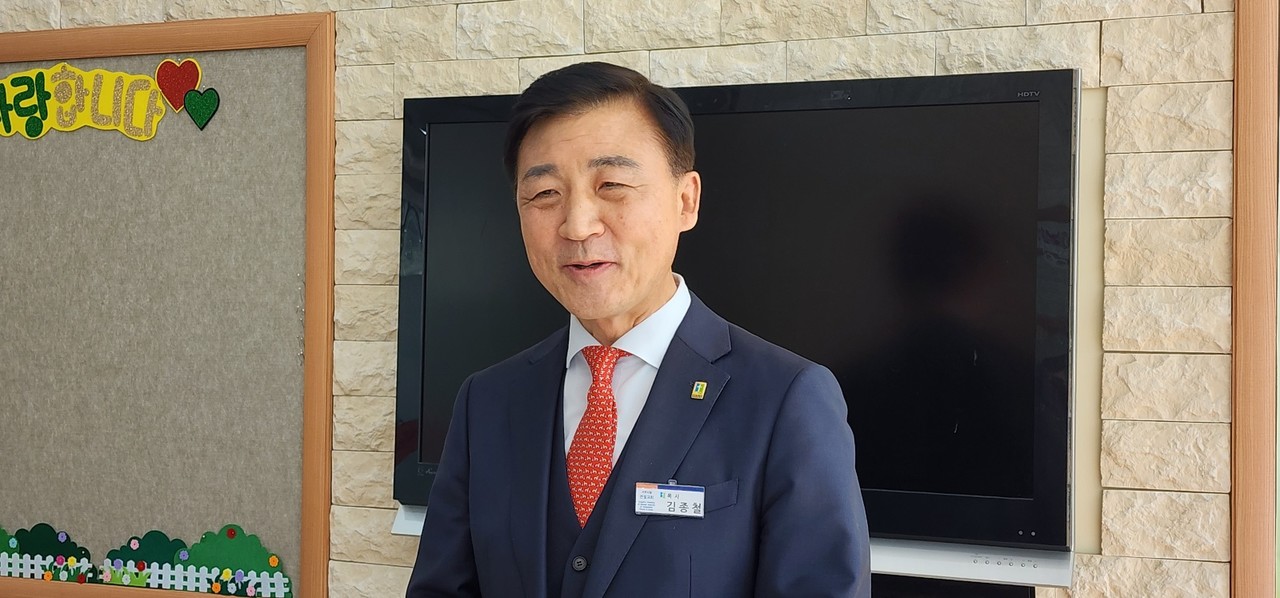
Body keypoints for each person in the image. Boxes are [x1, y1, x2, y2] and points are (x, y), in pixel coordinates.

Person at [406, 62, 871, 598]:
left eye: (613, 185)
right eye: (545, 194)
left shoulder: (785, 398)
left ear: (685, 200)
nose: (578, 225)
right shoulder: (487, 401)